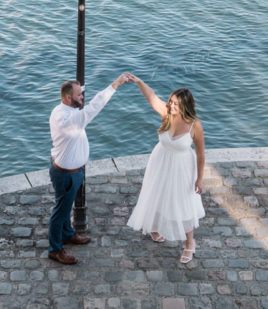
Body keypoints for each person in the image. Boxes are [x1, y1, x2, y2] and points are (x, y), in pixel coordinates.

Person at [48, 72, 134, 264]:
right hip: (66, 175)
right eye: (79, 95)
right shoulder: (71, 120)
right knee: (60, 212)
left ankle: (67, 234)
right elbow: (96, 105)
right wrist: (117, 83)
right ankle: (54, 249)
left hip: (70, 172)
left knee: (65, 206)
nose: (83, 97)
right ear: (68, 98)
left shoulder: (60, 110)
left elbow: (87, 103)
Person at [124, 78, 206, 263]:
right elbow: (151, 96)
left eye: (175, 104)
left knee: (183, 204)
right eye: (170, 101)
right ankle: (154, 228)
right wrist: (138, 81)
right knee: (157, 195)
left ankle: (189, 243)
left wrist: (199, 179)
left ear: (185, 105)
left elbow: (201, 154)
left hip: (183, 167)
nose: (171, 106)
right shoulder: (166, 114)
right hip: (161, 161)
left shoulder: (195, 125)